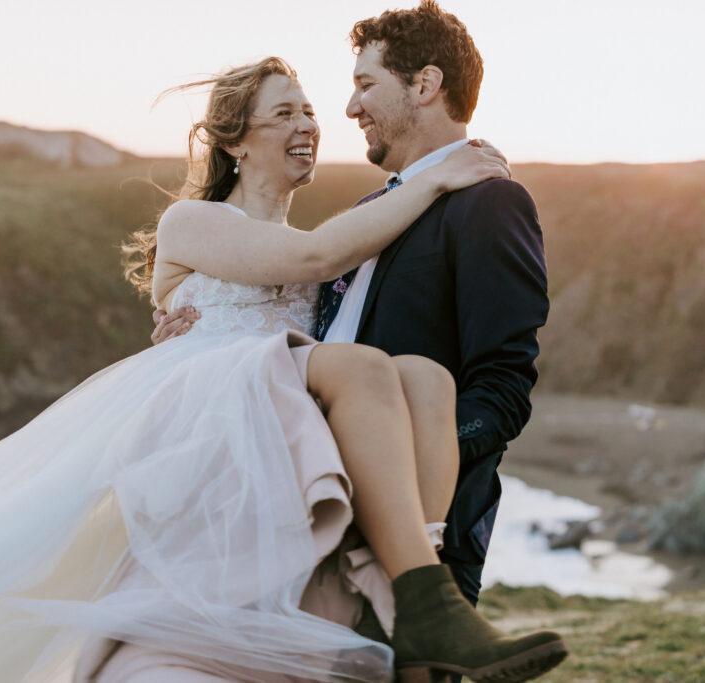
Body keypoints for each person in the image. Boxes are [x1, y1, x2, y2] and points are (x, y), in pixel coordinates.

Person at [0, 59, 562, 683]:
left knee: (422, 374)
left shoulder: (321, 244)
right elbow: (311, 257)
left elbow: (315, 275)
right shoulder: (195, 219)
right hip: (213, 415)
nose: (312, 120)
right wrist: (438, 174)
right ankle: (425, 606)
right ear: (237, 138)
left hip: (271, 421)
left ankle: (414, 616)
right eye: (286, 112)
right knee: (366, 371)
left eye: (314, 108)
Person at [153, 4, 550, 656]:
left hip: (406, 508)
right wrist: (189, 345)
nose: (342, 111)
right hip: (290, 493)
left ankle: (426, 596)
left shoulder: (489, 200)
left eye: (365, 85)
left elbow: (502, 386)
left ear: (423, 85)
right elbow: (297, 298)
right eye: (288, 111)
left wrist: (399, 458)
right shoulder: (361, 222)